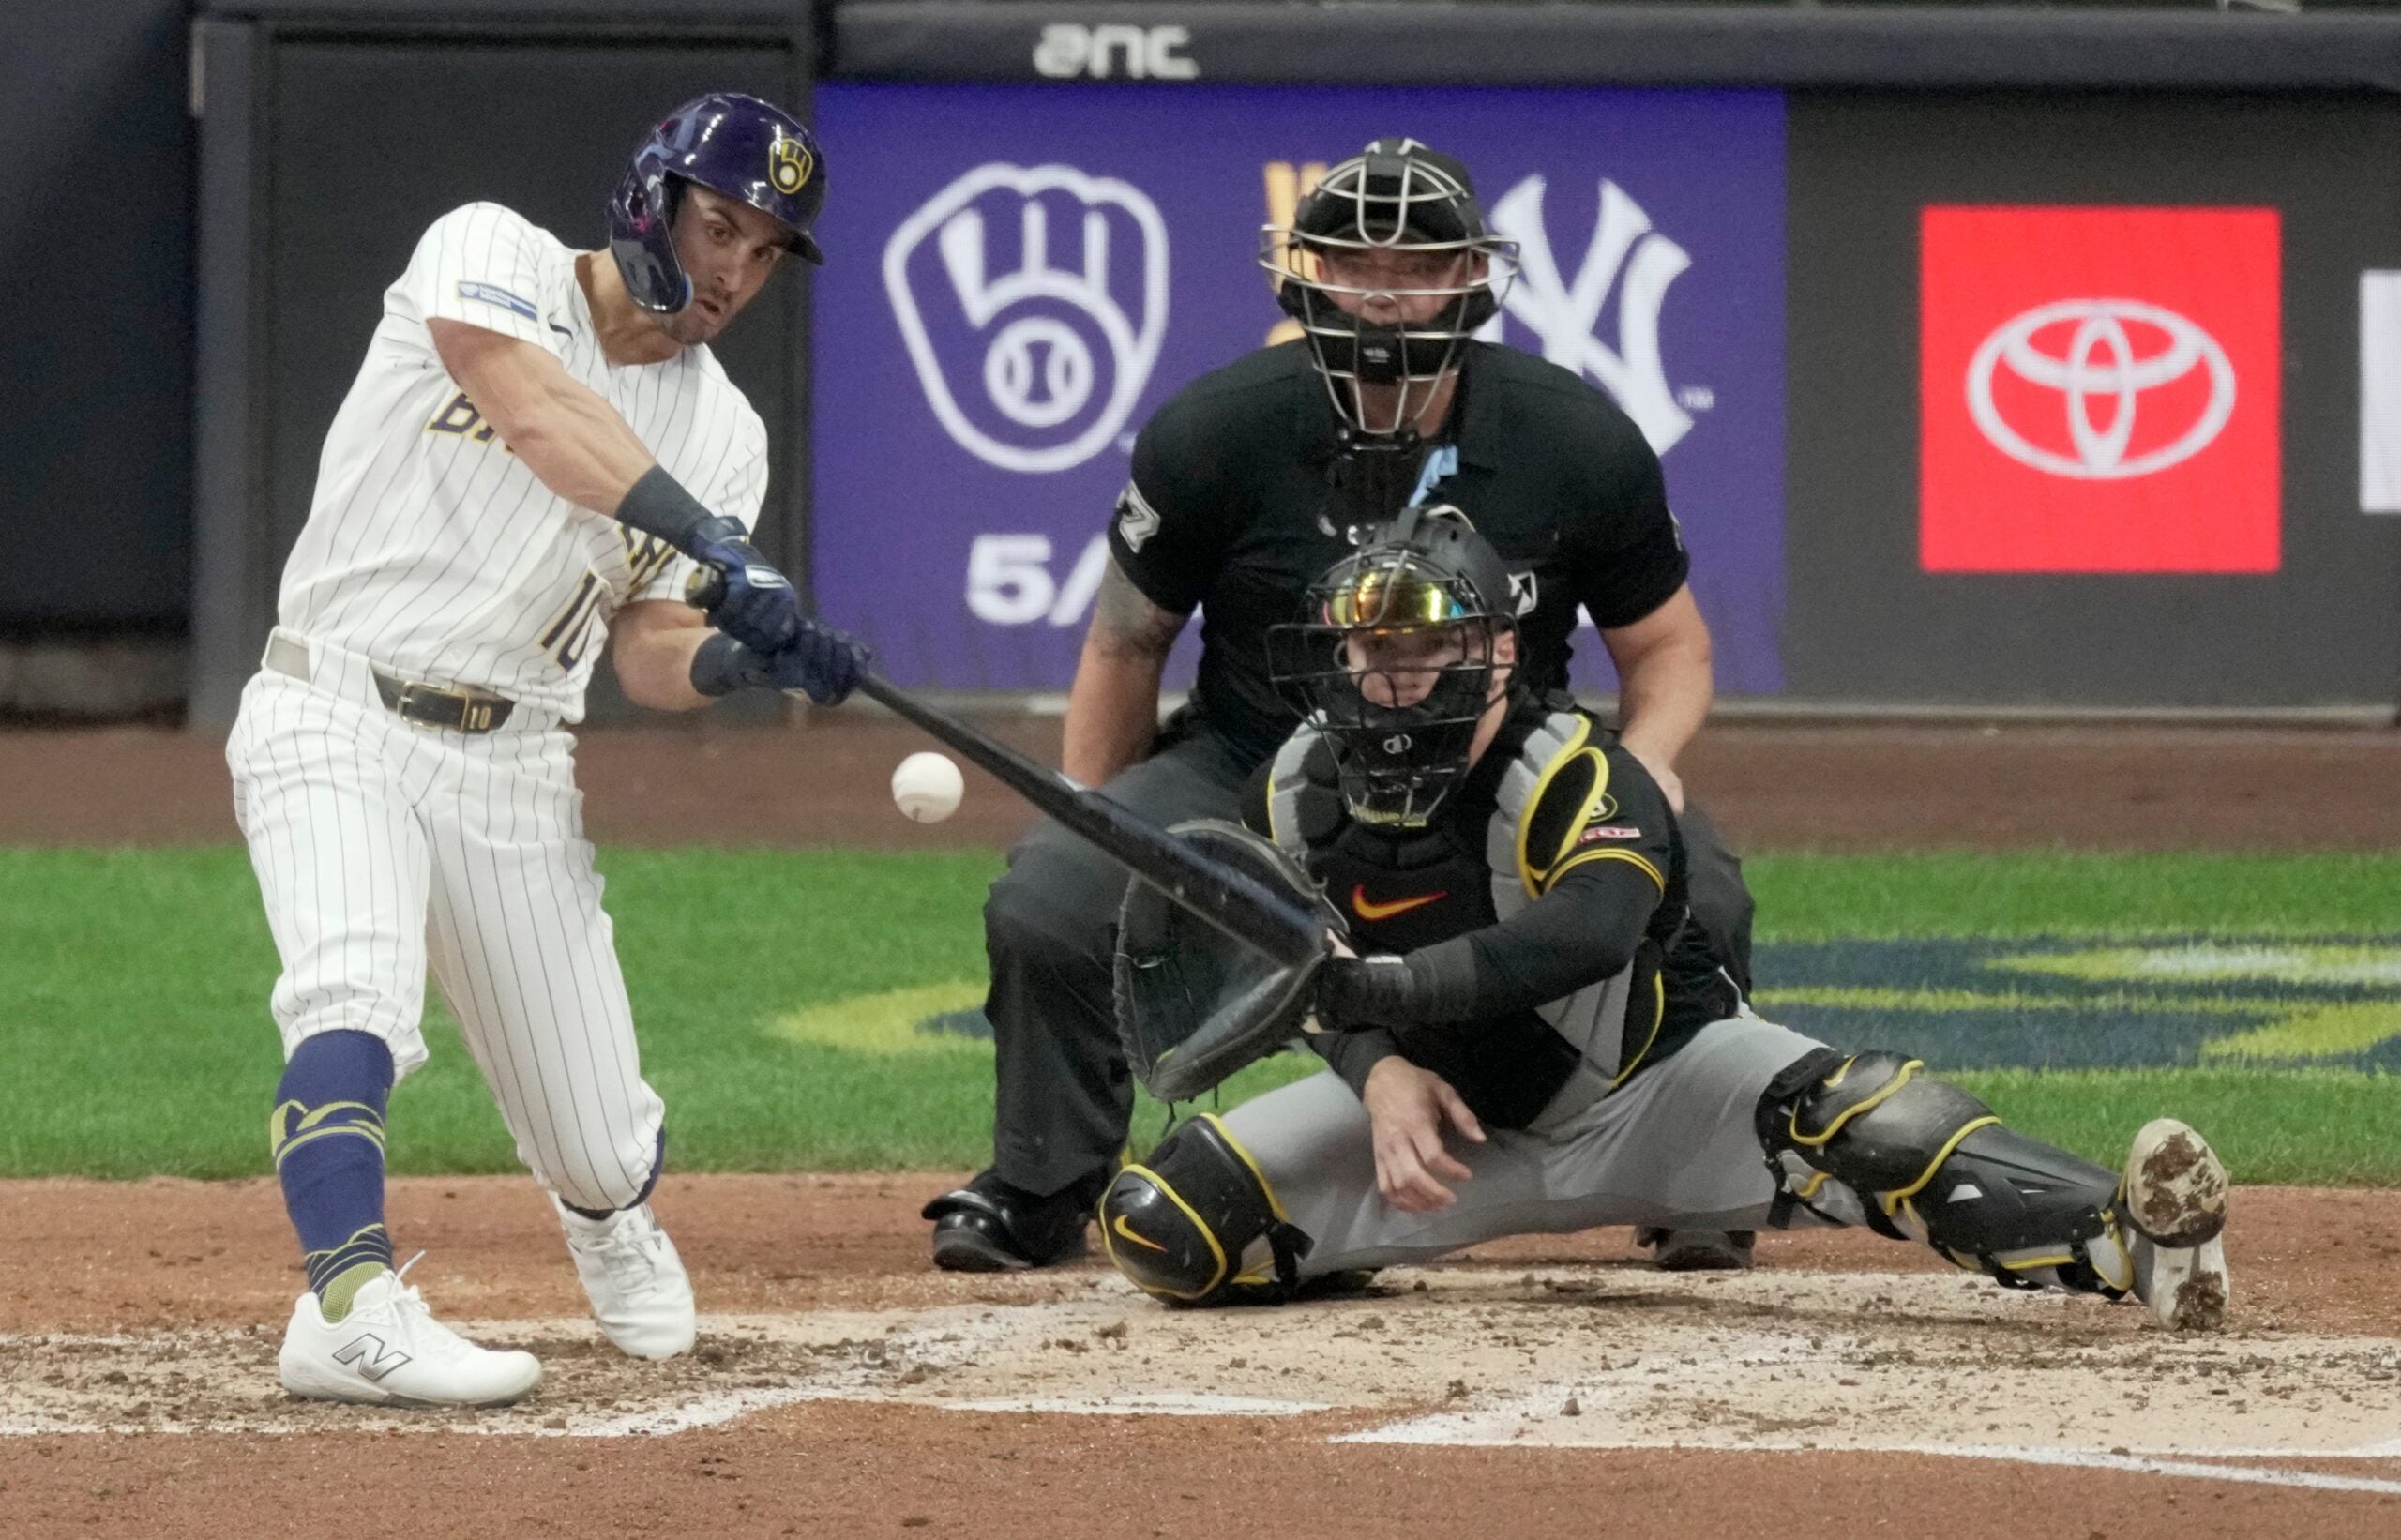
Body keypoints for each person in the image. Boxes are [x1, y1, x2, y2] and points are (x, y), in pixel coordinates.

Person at [926, 136, 1760, 1274]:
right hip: (1256, 761)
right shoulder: (1212, 430)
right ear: (1301, 270)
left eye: (1419, 265)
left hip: (1503, 770)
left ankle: (1700, 1179)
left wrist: (1649, 761)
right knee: (1052, 903)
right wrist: (1090, 811)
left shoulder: (1576, 437)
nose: (1385, 291)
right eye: (1353, 261)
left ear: (1473, 276)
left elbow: (1670, 649)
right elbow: (1127, 642)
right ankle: (1039, 1183)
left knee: (1699, 890)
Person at [1095, 508, 2232, 1335]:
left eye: (1425, 646)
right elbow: (1290, 972)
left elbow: (1591, 929)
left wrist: (1384, 996)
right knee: (1167, 1227)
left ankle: (2133, 1241)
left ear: (1495, 650)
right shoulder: (1290, 793)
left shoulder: (1579, 772)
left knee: (1863, 1117)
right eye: (1371, 649)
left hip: (1658, 1089)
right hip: (1443, 1136)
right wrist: (1373, 1068)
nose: (1394, 676)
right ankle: (1336, 1258)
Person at [226, 93, 870, 1408]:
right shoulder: (492, 255)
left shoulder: (723, 431)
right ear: (653, 198)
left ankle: (608, 1221)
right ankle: (349, 1301)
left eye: (766, 250)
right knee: (350, 988)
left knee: (595, 1134)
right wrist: (723, 545)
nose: (736, 271)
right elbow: (537, 413)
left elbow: (644, 653)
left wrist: (751, 655)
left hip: (514, 763)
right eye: (721, 225)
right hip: (333, 703)